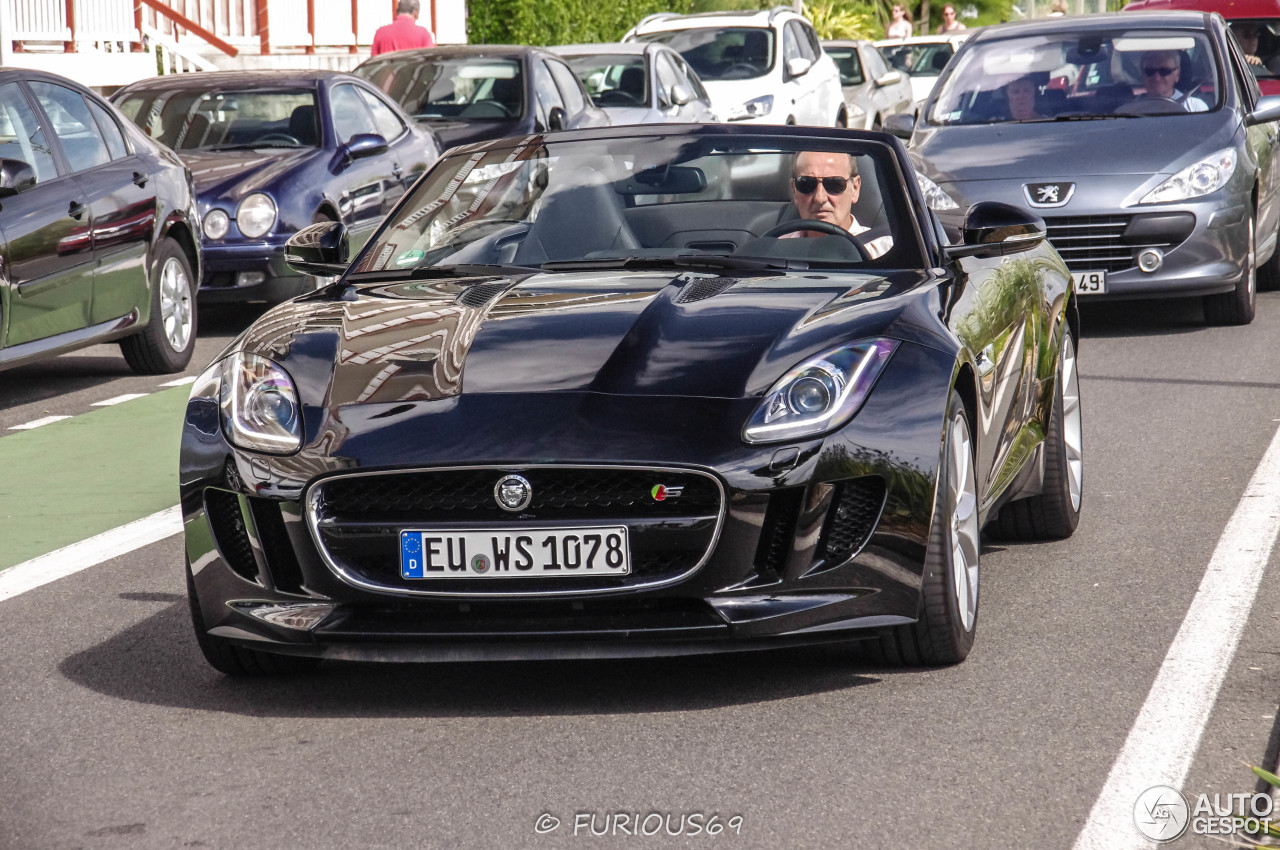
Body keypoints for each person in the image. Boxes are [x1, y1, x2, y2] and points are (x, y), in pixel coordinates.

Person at [783, 151, 893, 259]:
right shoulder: (777, 249)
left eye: (834, 184)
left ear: (855, 188)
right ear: (794, 191)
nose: (820, 198)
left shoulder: (886, 253)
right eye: (806, 184)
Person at [1139, 50, 1208, 112]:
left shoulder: (1195, 108)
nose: (1157, 78)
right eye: (1149, 71)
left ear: (1177, 75)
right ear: (1143, 75)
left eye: (1164, 71)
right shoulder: (1131, 108)